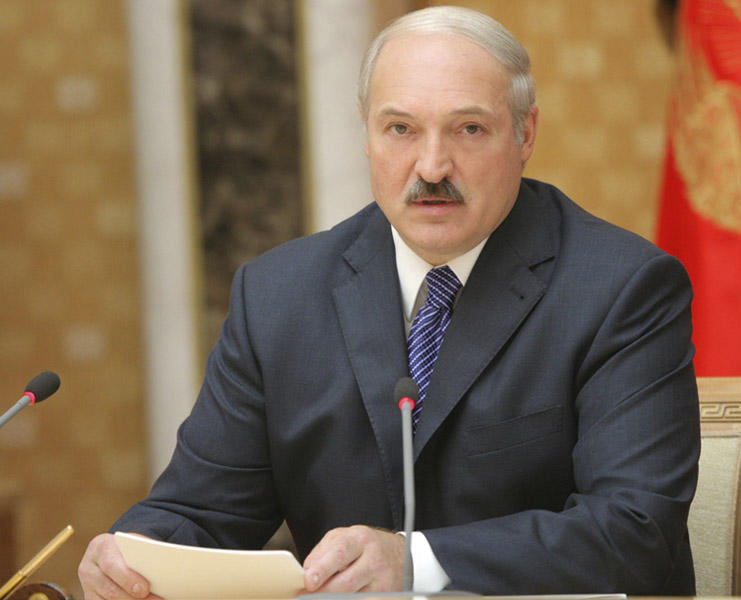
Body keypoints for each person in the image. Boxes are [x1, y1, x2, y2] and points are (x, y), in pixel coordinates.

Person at [79, 6, 700, 598]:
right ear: (367, 135)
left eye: (469, 129)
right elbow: (200, 511)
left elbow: (635, 530)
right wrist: (136, 555)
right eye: (401, 129)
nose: (431, 166)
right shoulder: (278, 296)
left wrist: (415, 561)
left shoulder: (621, 288)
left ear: (525, 133)